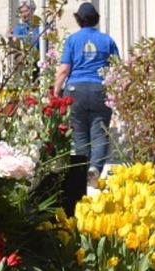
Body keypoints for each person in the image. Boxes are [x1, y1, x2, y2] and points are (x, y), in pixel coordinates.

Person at [52, 2, 120, 189]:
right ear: (96, 19)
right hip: (100, 90)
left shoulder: (73, 40)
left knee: (80, 135)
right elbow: (117, 69)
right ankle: (95, 169)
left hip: (76, 91)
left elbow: (64, 69)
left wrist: (56, 90)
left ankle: (81, 173)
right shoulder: (107, 41)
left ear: (79, 19)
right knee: (99, 134)